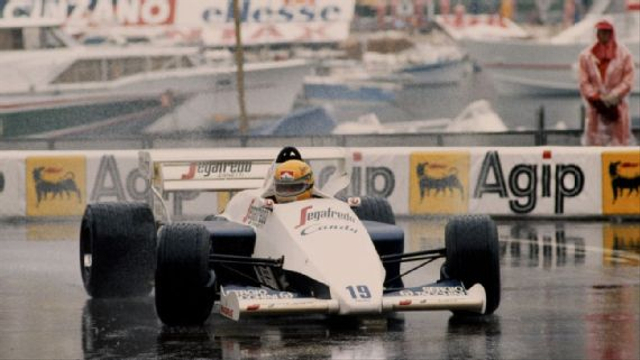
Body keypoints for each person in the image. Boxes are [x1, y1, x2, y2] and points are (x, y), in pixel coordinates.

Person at [578, 20, 635, 146]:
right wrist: (596, 98)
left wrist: (613, 96)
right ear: (596, 33)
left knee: (619, 145)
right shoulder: (586, 56)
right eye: (601, 31)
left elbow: (628, 80)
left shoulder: (624, 55)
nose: (604, 34)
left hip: (617, 108)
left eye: (607, 31)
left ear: (612, 33)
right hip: (595, 108)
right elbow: (583, 82)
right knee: (594, 146)